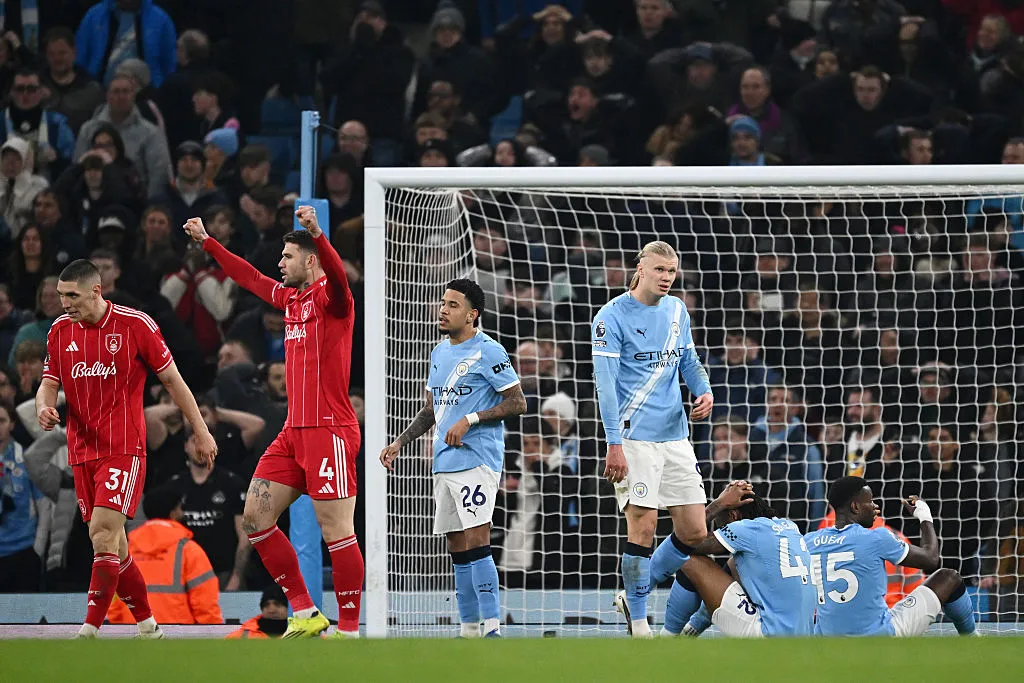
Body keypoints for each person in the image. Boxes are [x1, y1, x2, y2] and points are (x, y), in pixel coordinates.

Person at [183, 207, 362, 639]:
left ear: (310, 260)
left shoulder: (332, 300)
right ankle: (303, 611)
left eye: (287, 256)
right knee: (256, 519)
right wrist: (208, 243)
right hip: (293, 431)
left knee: (336, 528)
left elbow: (340, 280)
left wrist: (320, 236)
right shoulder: (291, 300)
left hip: (329, 429)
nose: (279, 264)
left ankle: (352, 631)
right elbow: (247, 277)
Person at [34, 258, 217, 639]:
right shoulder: (59, 331)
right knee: (114, 547)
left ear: (96, 290)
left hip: (123, 448)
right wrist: (43, 407)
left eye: (72, 295)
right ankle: (149, 627)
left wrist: (200, 430)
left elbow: (174, 381)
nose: (64, 302)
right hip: (81, 450)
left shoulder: (135, 325)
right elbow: (49, 381)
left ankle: (88, 631)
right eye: (61, 295)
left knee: (102, 533)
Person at [379, 279, 527, 638]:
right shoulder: (439, 352)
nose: (443, 310)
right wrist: (400, 441)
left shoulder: (489, 351)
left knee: (477, 539)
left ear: (473, 314)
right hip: (444, 461)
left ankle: (493, 627)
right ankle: (468, 629)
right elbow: (433, 409)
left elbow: (517, 402)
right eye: (443, 303)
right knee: (457, 546)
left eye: (453, 305)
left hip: (478, 459)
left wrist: (471, 419)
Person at [591, 240, 714, 638]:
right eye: (659, 269)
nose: (666, 277)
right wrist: (614, 444)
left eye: (672, 271)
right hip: (634, 437)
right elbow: (606, 389)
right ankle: (641, 623)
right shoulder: (611, 317)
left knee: (694, 531)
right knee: (642, 527)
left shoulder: (677, 310)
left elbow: (688, 360)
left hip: (675, 435)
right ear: (640, 268)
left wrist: (704, 390)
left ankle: (631, 593)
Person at [804, 476, 979, 637]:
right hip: (879, 635)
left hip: (826, 638)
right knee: (949, 577)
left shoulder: (809, 542)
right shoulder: (878, 537)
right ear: (855, 507)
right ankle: (972, 639)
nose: (875, 506)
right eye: (870, 501)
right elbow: (931, 558)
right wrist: (924, 517)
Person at [657, 482, 817, 638]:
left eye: (720, 523)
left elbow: (687, 540)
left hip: (769, 636)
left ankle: (667, 639)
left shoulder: (746, 529)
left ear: (733, 516)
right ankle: (691, 630)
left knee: (689, 558)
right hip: (802, 637)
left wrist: (717, 505)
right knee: (734, 565)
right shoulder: (789, 526)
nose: (719, 527)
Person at [106, 486, 223, 625]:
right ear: (173, 512)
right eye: (179, 507)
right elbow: (206, 606)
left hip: (133, 637)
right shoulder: (189, 551)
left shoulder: (125, 550)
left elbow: (113, 605)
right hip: (179, 640)